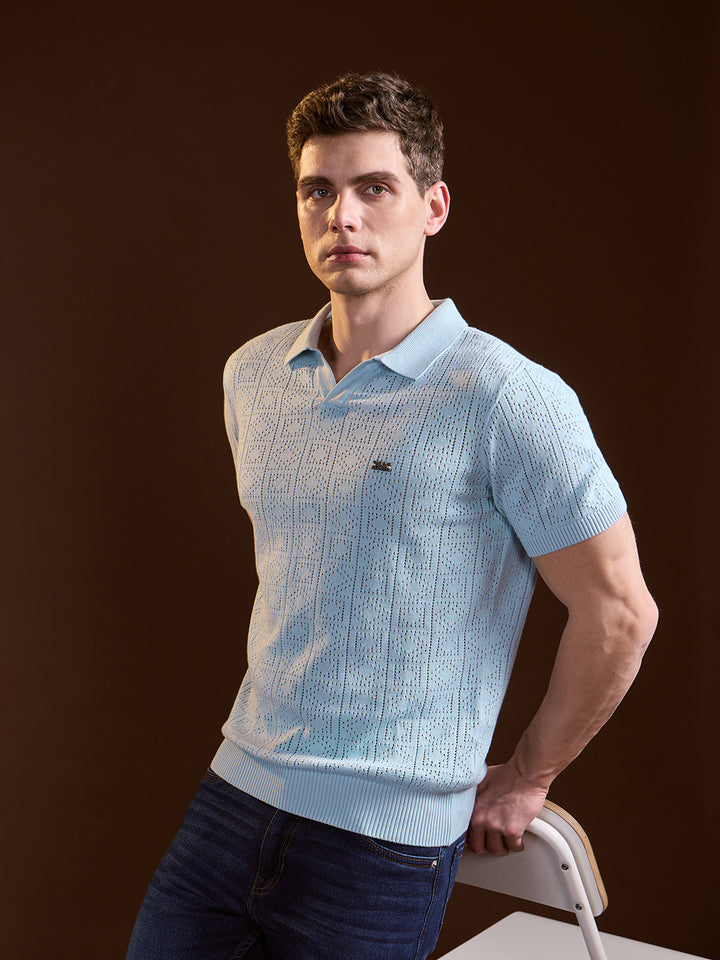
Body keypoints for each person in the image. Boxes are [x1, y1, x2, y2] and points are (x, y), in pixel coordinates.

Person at [126, 71, 658, 960]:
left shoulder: (505, 397)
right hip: (234, 796)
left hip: (382, 846)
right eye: (318, 191)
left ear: (433, 207)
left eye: (375, 188)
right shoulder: (251, 375)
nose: (343, 216)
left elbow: (620, 611)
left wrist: (530, 775)